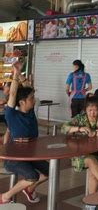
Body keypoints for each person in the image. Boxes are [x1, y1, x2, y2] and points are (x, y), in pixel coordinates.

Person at [0, 62, 48, 205]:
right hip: (14, 158)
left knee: (49, 171)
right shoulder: (11, 115)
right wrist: (15, 74)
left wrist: (20, 73)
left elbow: (29, 88)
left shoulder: (30, 112)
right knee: (32, 175)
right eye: (31, 99)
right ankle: (4, 197)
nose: (34, 100)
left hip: (31, 155)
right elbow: (13, 94)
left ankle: (29, 190)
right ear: (21, 102)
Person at [61, 96, 98, 195]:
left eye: (96, 110)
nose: (93, 113)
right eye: (90, 110)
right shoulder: (80, 119)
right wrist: (79, 128)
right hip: (81, 153)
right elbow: (64, 128)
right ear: (85, 109)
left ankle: (91, 203)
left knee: (93, 174)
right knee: (90, 160)